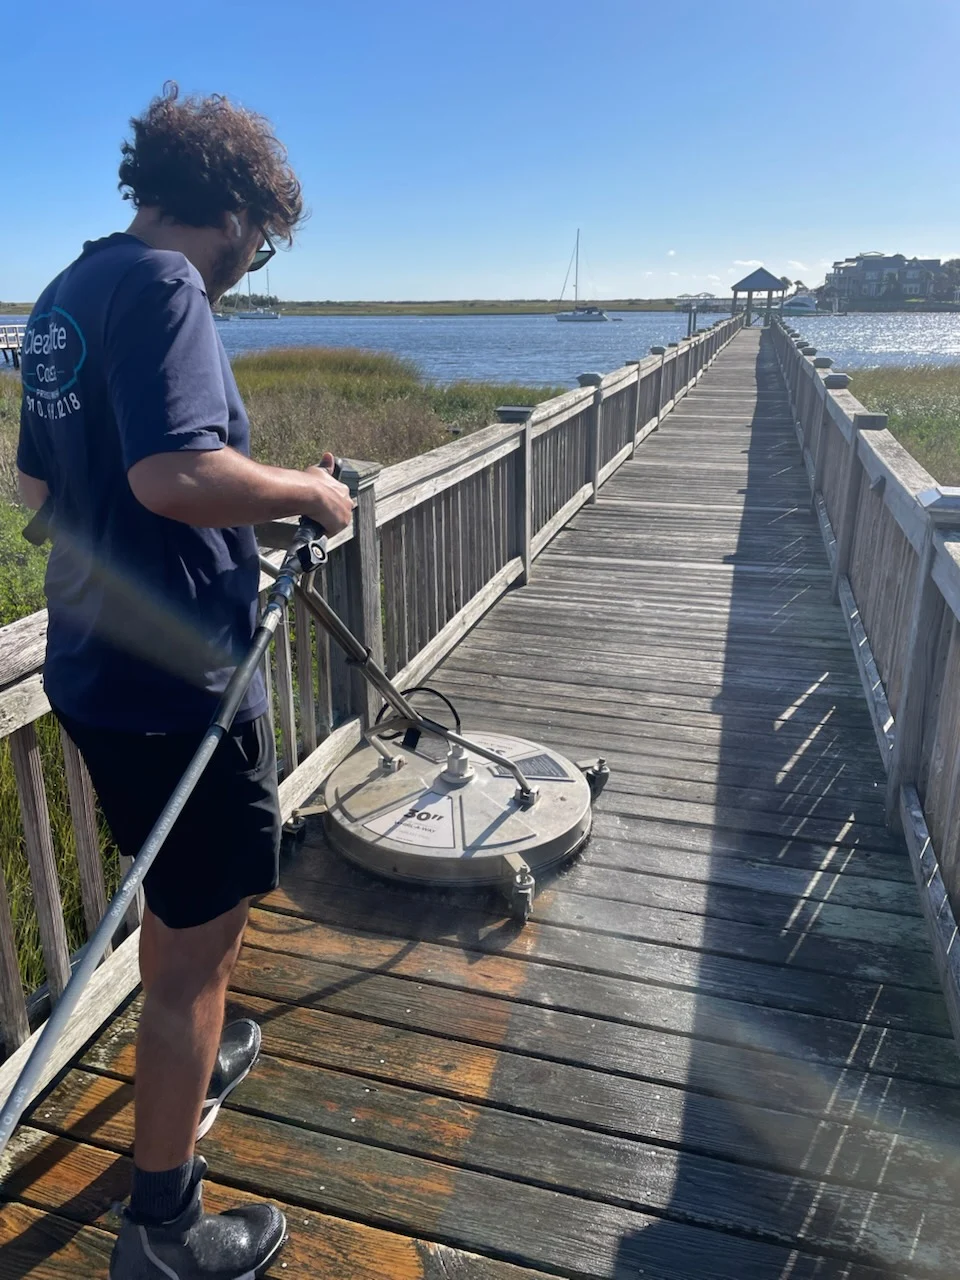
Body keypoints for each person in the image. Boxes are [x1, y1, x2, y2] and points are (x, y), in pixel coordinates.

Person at [16, 84, 354, 1279]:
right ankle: (161, 1227)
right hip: (181, 687)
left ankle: (188, 1058)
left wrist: (227, 498)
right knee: (199, 947)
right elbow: (171, 476)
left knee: (175, 907)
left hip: (95, 666)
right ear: (236, 208)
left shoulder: (65, 293)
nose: (249, 267)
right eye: (259, 240)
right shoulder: (168, 287)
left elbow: (45, 495)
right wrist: (307, 494)